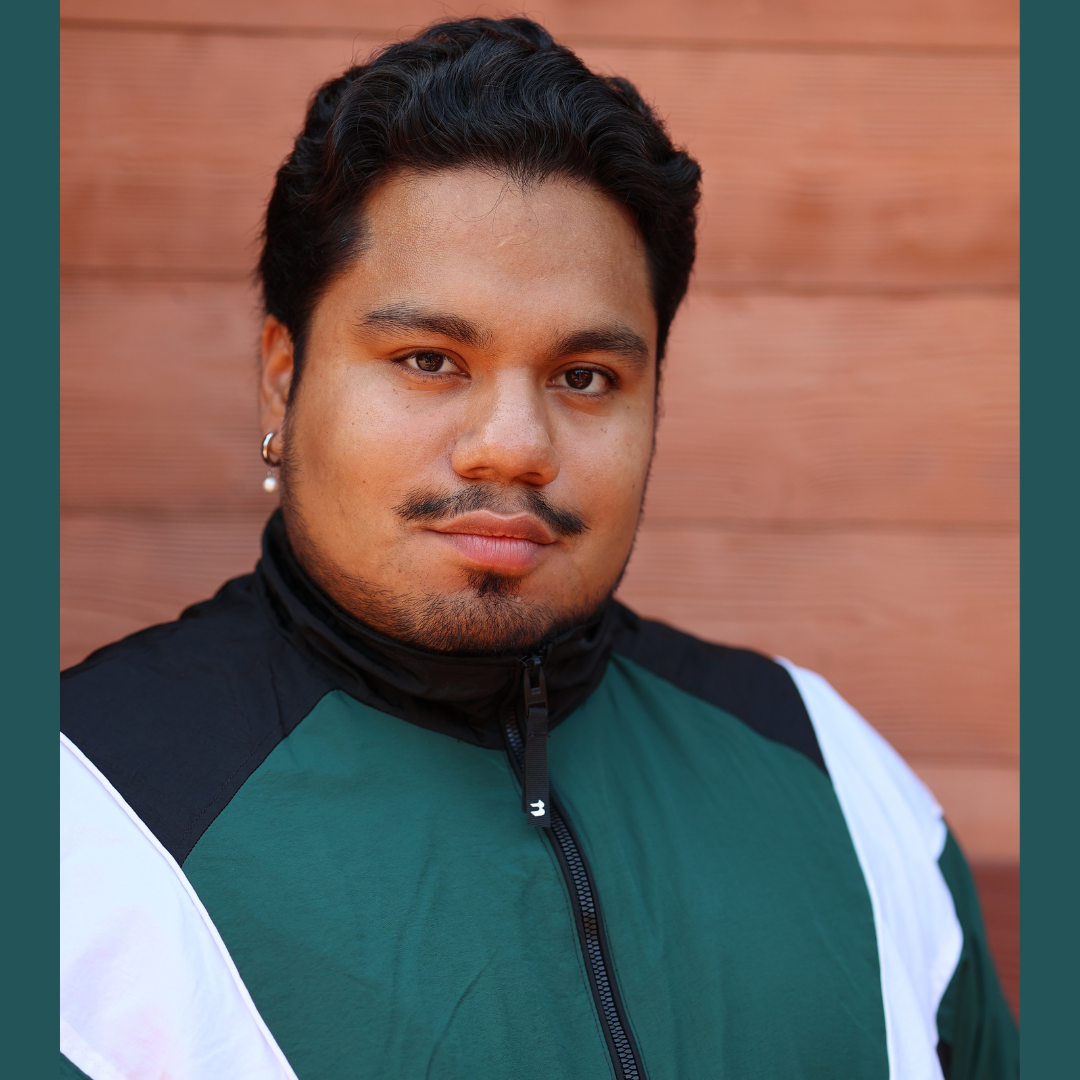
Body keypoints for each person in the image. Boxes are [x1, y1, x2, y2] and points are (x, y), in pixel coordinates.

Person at [60, 17, 1017, 1080]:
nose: (515, 446)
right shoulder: (75, 819)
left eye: (584, 377)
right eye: (428, 359)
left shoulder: (834, 774)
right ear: (283, 381)